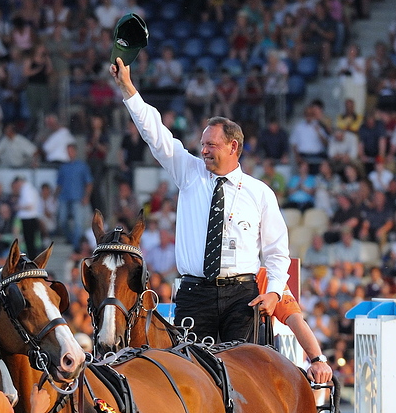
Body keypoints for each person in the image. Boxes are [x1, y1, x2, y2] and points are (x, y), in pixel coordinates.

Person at [110, 57, 290, 343]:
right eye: (202, 144)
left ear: (233, 147)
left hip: (242, 296)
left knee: (242, 376)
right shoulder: (189, 172)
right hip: (194, 293)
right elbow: (156, 135)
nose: (203, 150)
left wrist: (275, 292)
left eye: (211, 145)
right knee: (190, 375)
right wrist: (129, 90)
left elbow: (277, 252)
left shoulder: (260, 193)